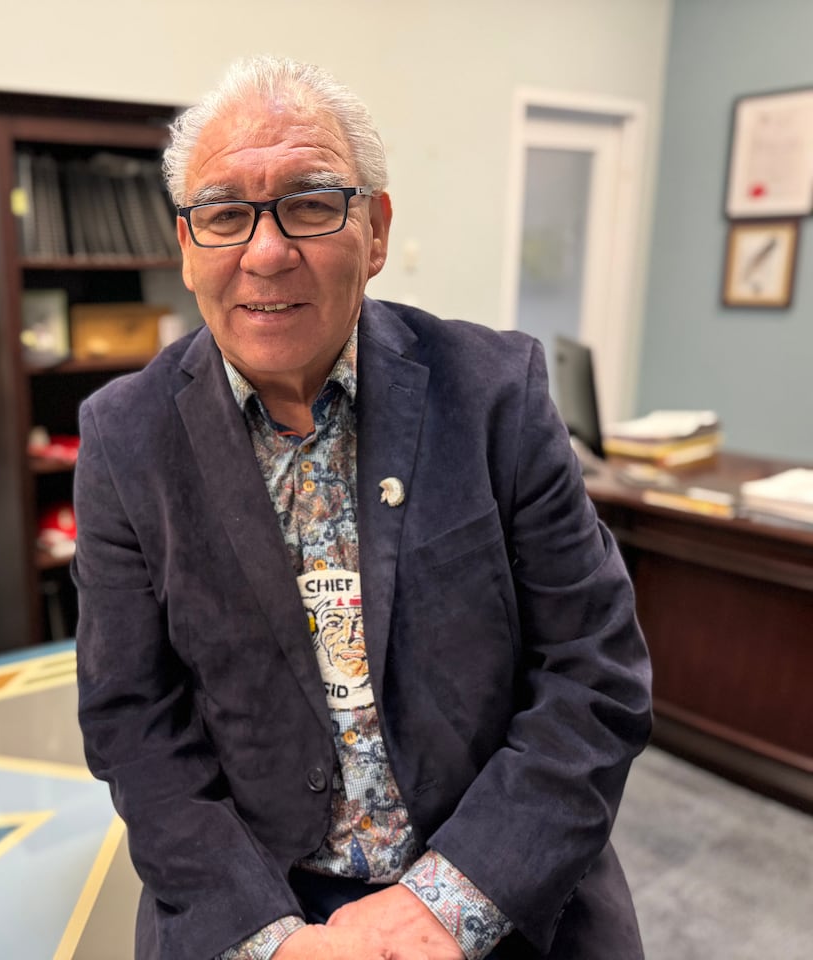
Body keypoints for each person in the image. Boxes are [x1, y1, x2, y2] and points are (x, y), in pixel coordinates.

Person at [73, 56, 652, 960]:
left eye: (310, 203)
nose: (266, 252)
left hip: (495, 885)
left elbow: (596, 673)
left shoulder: (497, 395)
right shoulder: (122, 439)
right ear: (187, 247)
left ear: (375, 230)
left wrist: (443, 903)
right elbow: (134, 726)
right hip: (258, 901)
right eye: (225, 214)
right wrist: (273, 939)